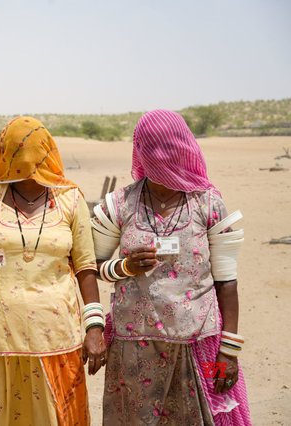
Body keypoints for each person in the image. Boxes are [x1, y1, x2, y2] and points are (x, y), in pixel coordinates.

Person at [92, 109, 251, 424]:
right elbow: (93, 265)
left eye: (169, 147)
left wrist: (228, 353)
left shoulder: (208, 204)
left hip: (199, 345)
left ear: (184, 147)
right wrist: (124, 266)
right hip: (134, 350)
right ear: (141, 150)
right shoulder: (119, 204)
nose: (162, 156)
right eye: (153, 148)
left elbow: (226, 282)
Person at [0, 116, 106, 425]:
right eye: (15, 148)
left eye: (31, 148)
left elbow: (85, 266)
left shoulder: (70, 198)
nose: (24, 156)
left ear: (47, 150)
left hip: (55, 336)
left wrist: (94, 327)